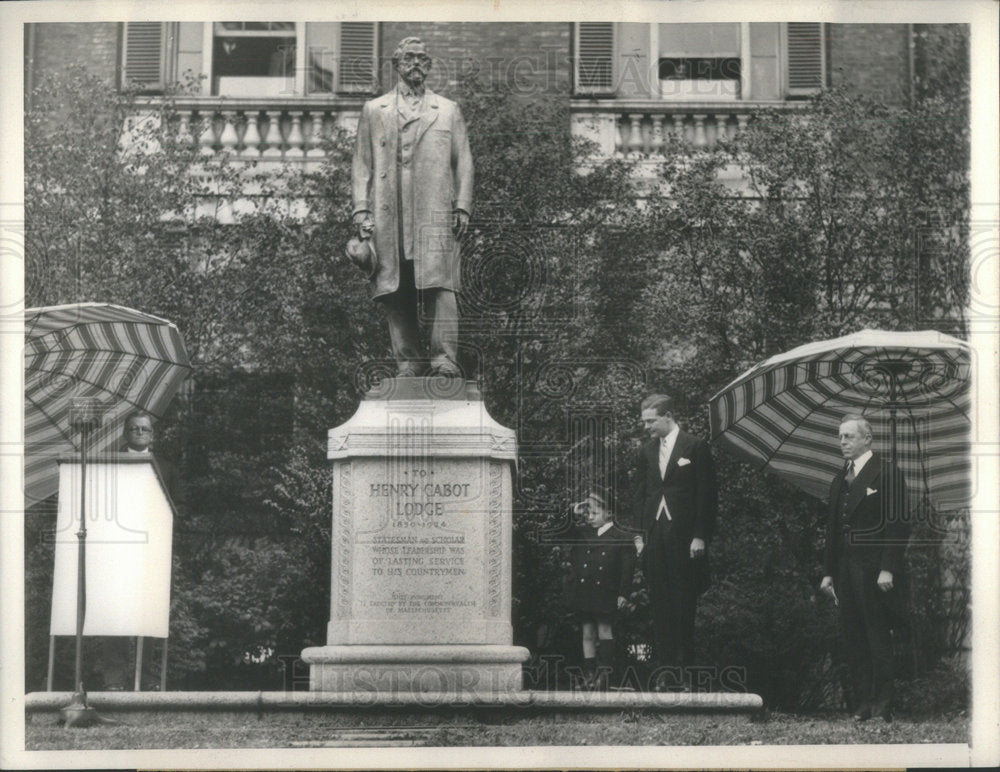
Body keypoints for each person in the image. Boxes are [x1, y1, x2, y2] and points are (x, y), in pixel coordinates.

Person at [350, 36, 474, 378]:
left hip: (434, 211)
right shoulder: (375, 110)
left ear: (430, 66)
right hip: (389, 209)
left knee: (441, 285)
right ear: (396, 65)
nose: (415, 63)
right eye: (409, 58)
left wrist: (462, 205)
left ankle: (444, 360)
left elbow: (462, 161)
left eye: (422, 58)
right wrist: (361, 210)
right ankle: (408, 361)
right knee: (394, 286)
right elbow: (362, 164)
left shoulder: (448, 110)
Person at [820, 414, 910, 722]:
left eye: (849, 436)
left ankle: (883, 705)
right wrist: (828, 572)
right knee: (853, 637)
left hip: (874, 569)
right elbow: (832, 529)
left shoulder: (886, 474)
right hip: (845, 571)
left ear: (867, 439)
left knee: (877, 636)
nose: (842, 442)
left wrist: (889, 568)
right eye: (840, 436)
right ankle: (863, 704)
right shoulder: (838, 478)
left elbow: (898, 525)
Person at [632, 394, 717, 691]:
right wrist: (639, 536)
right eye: (644, 421)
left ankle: (686, 672)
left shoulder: (695, 446)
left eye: (651, 421)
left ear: (668, 416)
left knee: (684, 604)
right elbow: (641, 497)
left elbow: (707, 496)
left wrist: (700, 535)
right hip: (655, 537)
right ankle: (665, 672)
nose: (647, 427)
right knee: (660, 605)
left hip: (685, 539)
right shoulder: (646, 452)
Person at [561, 490, 637, 690]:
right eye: (587, 515)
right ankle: (588, 674)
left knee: (604, 629)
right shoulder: (583, 533)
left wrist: (623, 593)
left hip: (606, 591)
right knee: (587, 632)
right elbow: (562, 531)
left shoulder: (621, 537)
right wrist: (573, 512)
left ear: (608, 513)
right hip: (585, 591)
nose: (589, 518)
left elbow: (627, 570)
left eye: (594, 514)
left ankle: (604, 674)